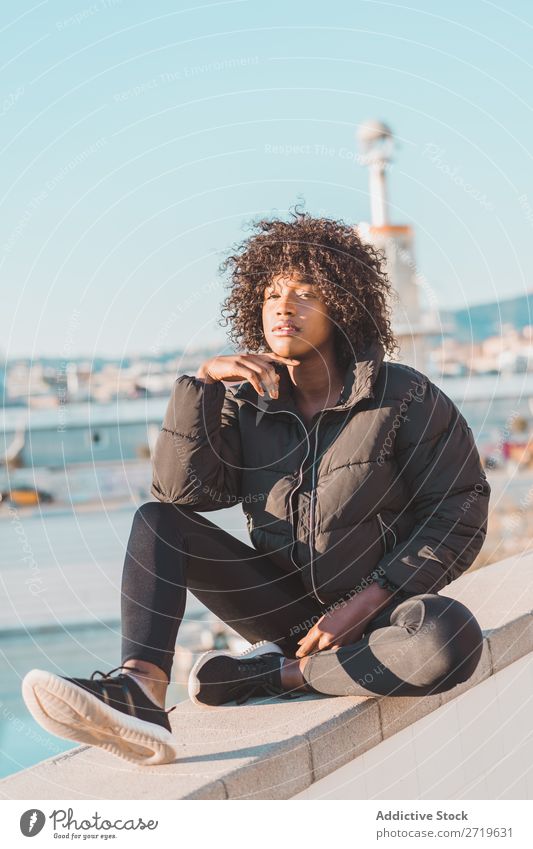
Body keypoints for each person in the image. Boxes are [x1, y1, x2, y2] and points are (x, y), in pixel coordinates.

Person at [22, 207, 490, 766]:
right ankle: (140, 689)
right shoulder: (245, 402)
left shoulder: (404, 397)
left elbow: (462, 510)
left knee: (449, 639)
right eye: (271, 295)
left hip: (381, 613)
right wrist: (200, 388)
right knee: (157, 521)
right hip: (282, 610)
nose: (283, 307)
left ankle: (280, 674)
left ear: (342, 305)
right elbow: (184, 496)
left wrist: (366, 602)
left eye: (304, 292)